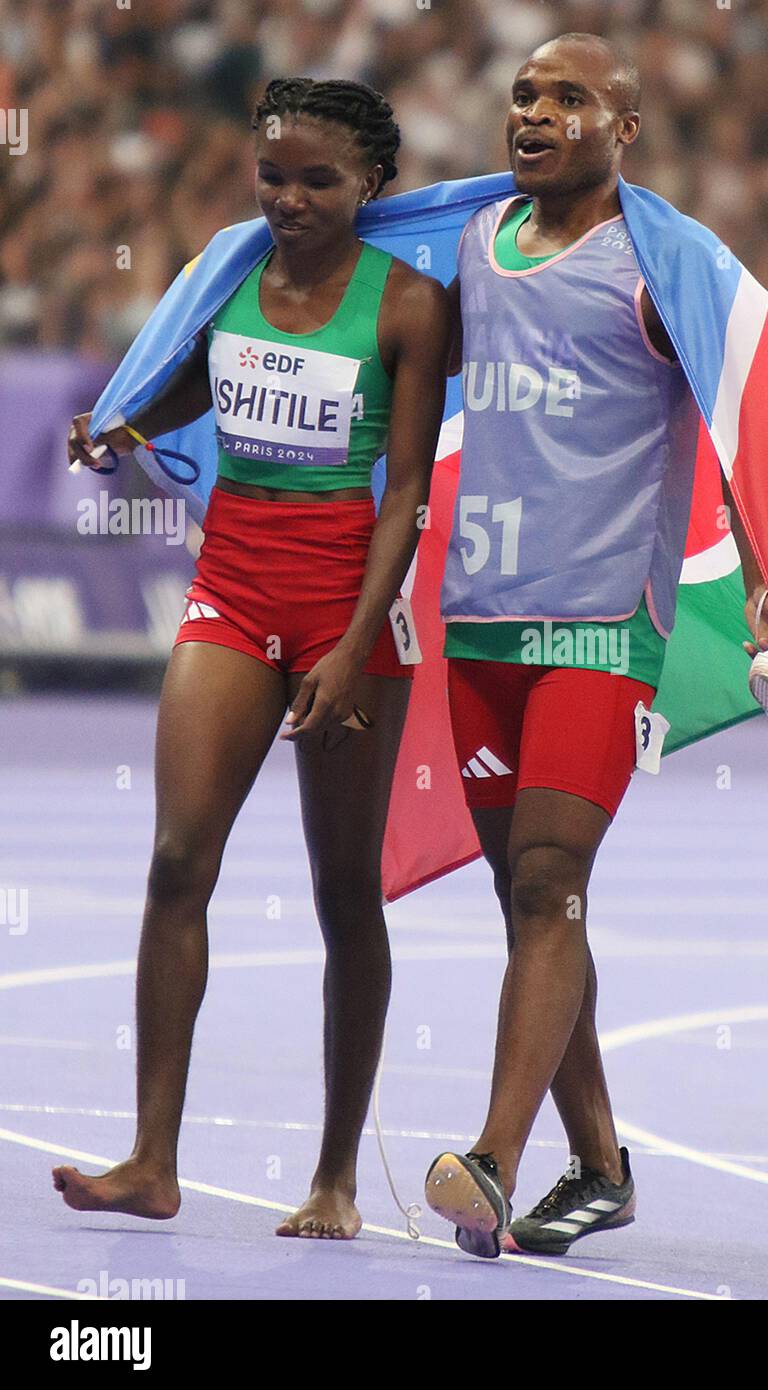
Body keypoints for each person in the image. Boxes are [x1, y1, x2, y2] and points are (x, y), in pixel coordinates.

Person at [422, 33, 768, 1259]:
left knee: (546, 883)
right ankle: (600, 1166)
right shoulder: (468, 244)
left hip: (597, 627)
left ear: (624, 129)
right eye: (524, 93)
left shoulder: (660, 267)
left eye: (568, 98)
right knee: (536, 902)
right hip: (480, 623)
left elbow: (748, 423)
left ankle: (492, 1158)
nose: (535, 113)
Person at [52, 77, 450, 1240]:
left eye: (316, 180)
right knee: (177, 858)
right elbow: (201, 381)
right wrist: (127, 421)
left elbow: (408, 491)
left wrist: (355, 639)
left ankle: (333, 1176)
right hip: (231, 589)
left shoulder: (410, 305)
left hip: (349, 606)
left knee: (342, 895)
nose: (288, 198)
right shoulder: (230, 273)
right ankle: (152, 1159)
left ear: (370, 183)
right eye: (272, 175)